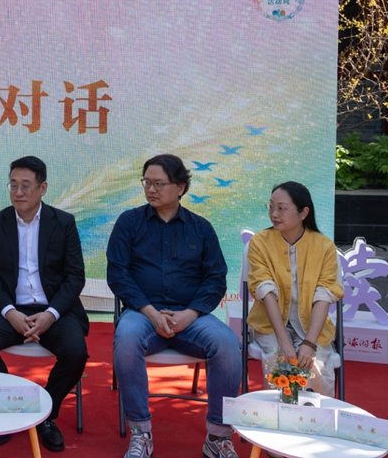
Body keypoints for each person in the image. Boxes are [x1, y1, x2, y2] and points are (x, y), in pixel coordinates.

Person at [108, 154, 242, 458]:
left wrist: (190, 313)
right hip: (143, 314)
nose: (151, 189)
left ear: (180, 187)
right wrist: (150, 312)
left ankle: (218, 437)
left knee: (227, 344)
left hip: (189, 316)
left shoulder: (201, 228)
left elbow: (215, 278)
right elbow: (118, 273)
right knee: (126, 340)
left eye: (159, 183)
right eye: (147, 183)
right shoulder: (129, 223)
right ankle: (141, 433)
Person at [0, 155, 88, 453]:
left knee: (76, 352)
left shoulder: (64, 223)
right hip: (10, 308)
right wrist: (10, 313)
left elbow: (75, 276)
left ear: (43, 188)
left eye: (26, 186)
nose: (18, 192)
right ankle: (6, 405)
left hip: (55, 310)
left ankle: (44, 414)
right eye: (13, 185)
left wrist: (51, 314)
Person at [246, 181, 343, 397]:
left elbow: (324, 295)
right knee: (278, 361)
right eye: (271, 206)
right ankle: (276, 422)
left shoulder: (324, 246)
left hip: (312, 325)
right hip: (271, 325)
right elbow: (265, 291)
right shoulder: (259, 243)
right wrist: (283, 341)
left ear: (303, 212)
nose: (274, 214)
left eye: (282, 208)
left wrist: (309, 343)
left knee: (315, 365)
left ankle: (317, 426)